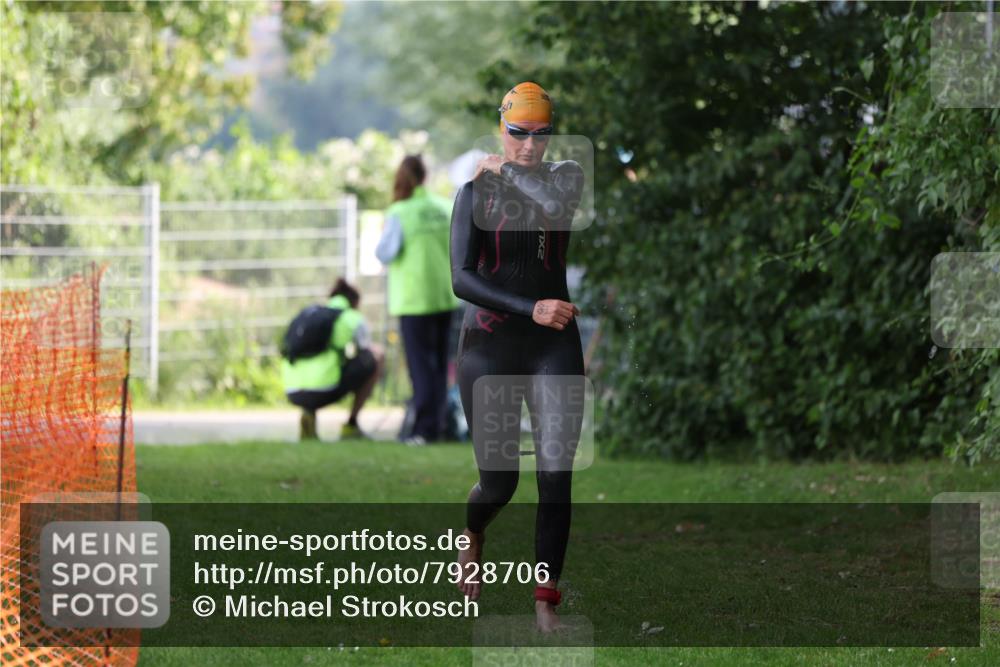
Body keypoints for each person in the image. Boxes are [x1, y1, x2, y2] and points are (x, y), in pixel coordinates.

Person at [449, 81, 586, 632]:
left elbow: (550, 206)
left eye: (540, 135)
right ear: (501, 128)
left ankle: (544, 601)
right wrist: (530, 307)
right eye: (517, 135)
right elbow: (462, 279)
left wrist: (503, 171)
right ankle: (473, 534)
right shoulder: (472, 194)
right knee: (500, 483)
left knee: (555, 476)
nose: (529, 146)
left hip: (553, 344)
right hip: (489, 346)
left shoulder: (567, 177)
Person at [376, 155, 459, 446]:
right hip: (445, 297)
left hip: (414, 300)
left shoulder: (400, 212)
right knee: (438, 366)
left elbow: (384, 253)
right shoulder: (444, 207)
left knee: (420, 367)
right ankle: (437, 424)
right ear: (425, 176)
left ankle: (423, 429)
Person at [281, 278, 384, 441]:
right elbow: (366, 350)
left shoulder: (309, 313)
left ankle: (308, 414)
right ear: (355, 302)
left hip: (292, 391)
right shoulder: (351, 317)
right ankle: (351, 424)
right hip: (326, 389)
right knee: (377, 356)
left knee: (321, 362)